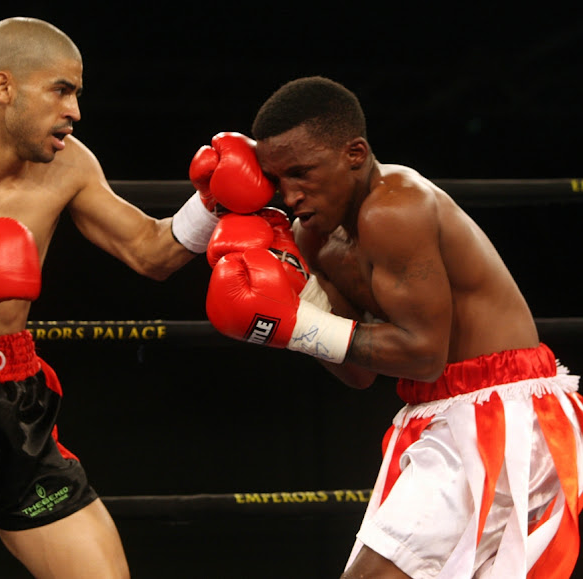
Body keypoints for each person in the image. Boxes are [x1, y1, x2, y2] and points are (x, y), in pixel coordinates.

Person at [0, 17, 273, 579]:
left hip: (13, 406)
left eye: (77, 94)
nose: (75, 111)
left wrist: (209, 204)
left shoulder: (69, 165)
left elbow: (150, 252)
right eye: (61, 91)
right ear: (4, 88)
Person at [204, 76, 583, 578]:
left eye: (302, 173)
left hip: (501, 413)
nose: (291, 195)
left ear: (354, 153)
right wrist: (301, 301)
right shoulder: (314, 237)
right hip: (439, 414)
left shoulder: (396, 207)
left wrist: (297, 327)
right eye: (278, 180)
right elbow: (359, 372)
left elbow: (423, 355)